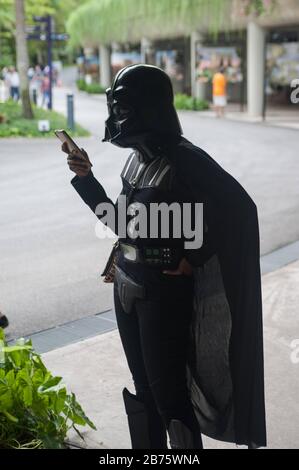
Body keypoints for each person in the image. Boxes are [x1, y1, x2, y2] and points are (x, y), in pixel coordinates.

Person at [62, 64, 266, 449]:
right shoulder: (136, 160)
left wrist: (196, 254)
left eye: (123, 109)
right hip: (126, 284)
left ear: (148, 107)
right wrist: (86, 178)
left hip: (162, 291)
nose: (117, 118)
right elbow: (120, 222)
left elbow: (238, 210)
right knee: (145, 392)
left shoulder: (184, 159)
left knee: (170, 397)